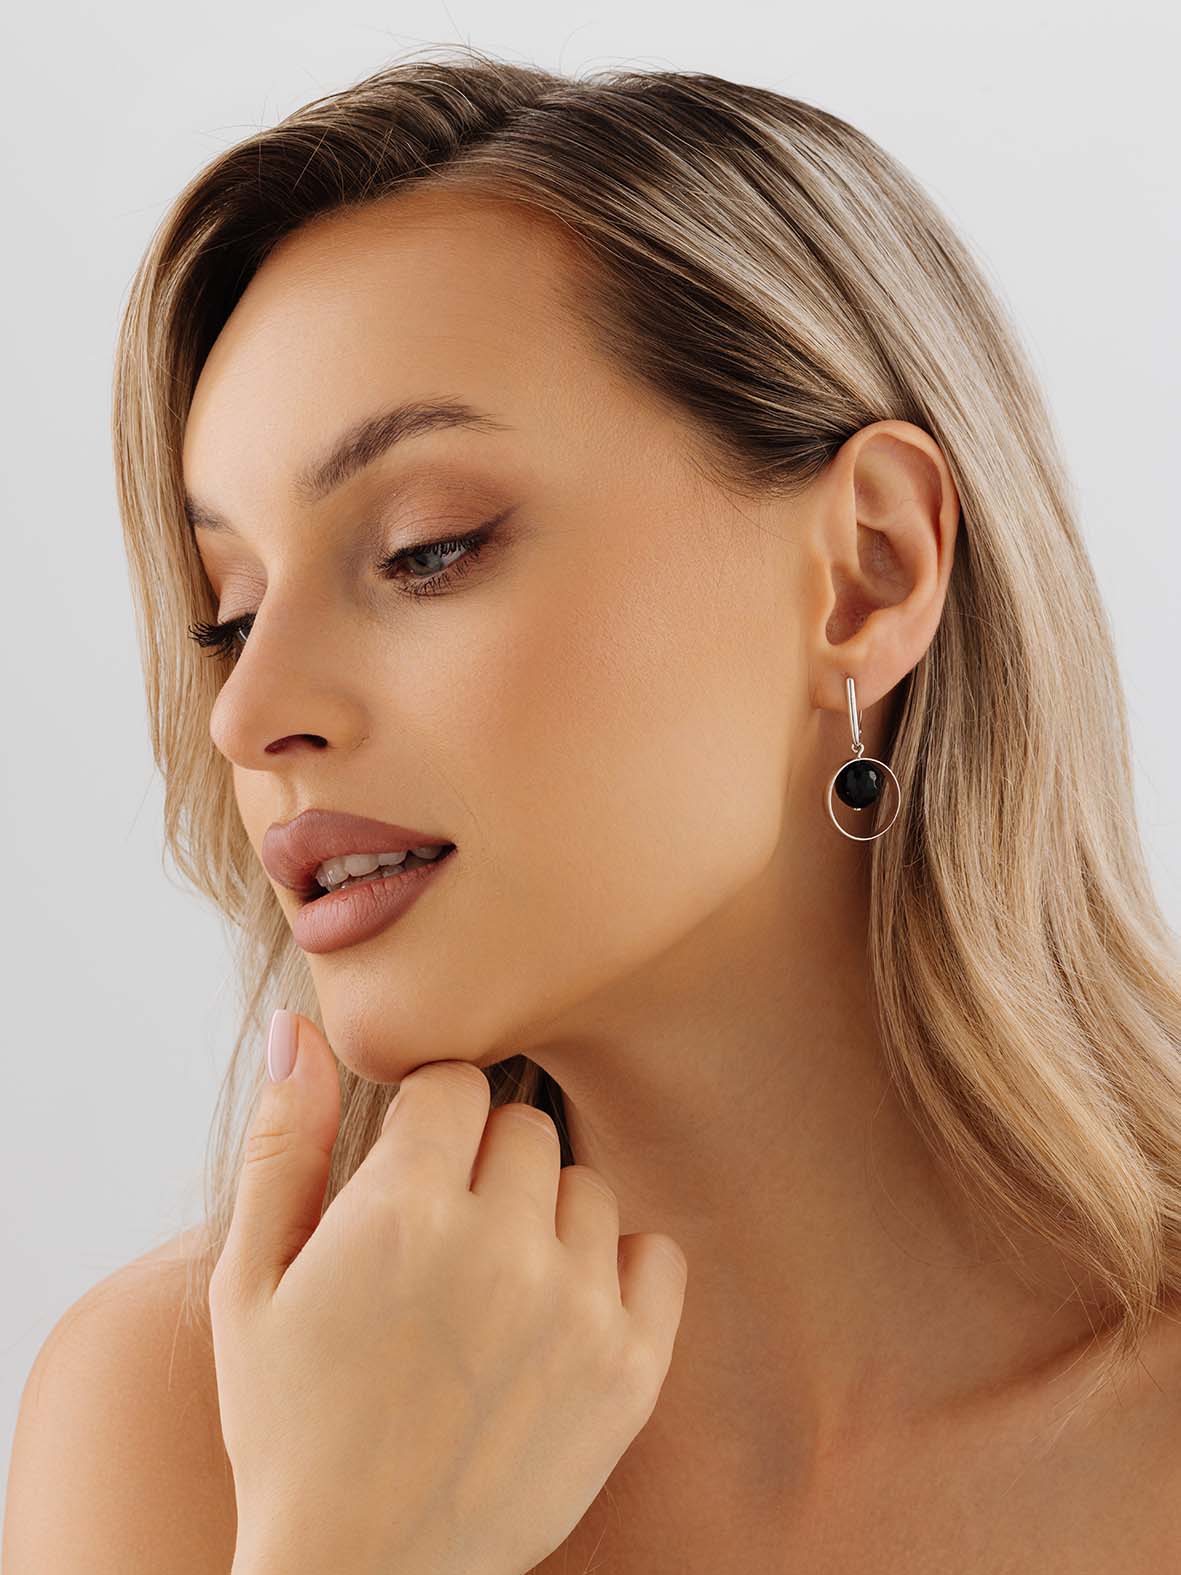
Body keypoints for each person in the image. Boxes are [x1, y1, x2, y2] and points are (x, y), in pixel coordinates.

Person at [6, 45, 1181, 1574]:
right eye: (227, 611)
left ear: (868, 571)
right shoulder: (177, 1433)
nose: (247, 711)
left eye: (427, 549)